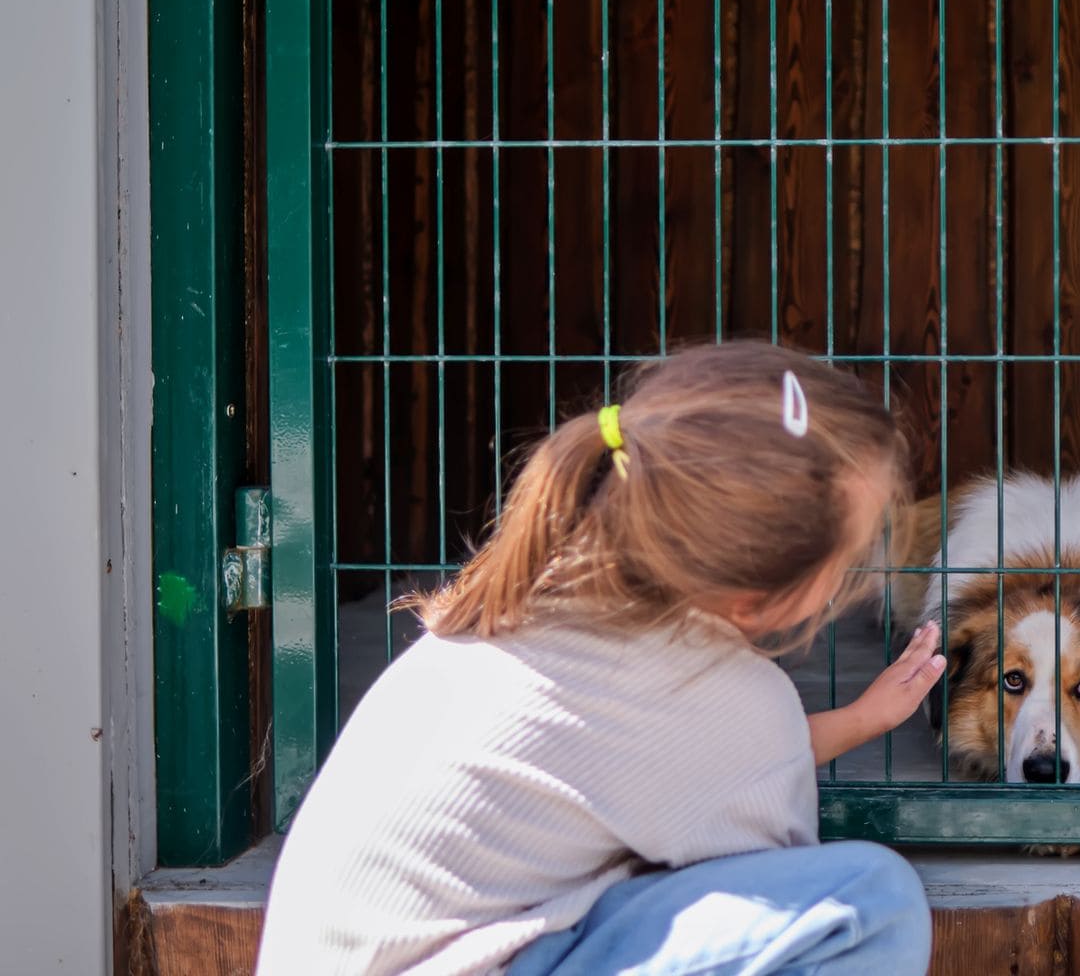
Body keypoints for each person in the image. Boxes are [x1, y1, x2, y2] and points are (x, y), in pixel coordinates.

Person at [256, 341, 944, 976]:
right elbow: (743, 846)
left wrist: (855, 721)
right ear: (758, 599)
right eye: (855, 553)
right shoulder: (727, 694)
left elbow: (671, 764)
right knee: (867, 901)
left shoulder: (536, 594)